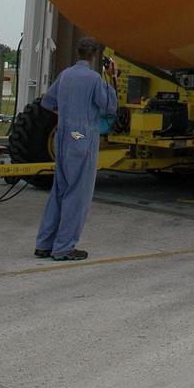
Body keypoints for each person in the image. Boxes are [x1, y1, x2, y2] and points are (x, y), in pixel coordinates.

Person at [34, 36, 118, 261]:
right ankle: (64, 247)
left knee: (59, 191)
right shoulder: (94, 79)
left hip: (62, 137)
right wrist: (112, 78)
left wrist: (65, 114)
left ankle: (44, 244)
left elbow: (47, 103)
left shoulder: (65, 75)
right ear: (94, 56)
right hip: (82, 138)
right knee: (77, 194)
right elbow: (110, 107)